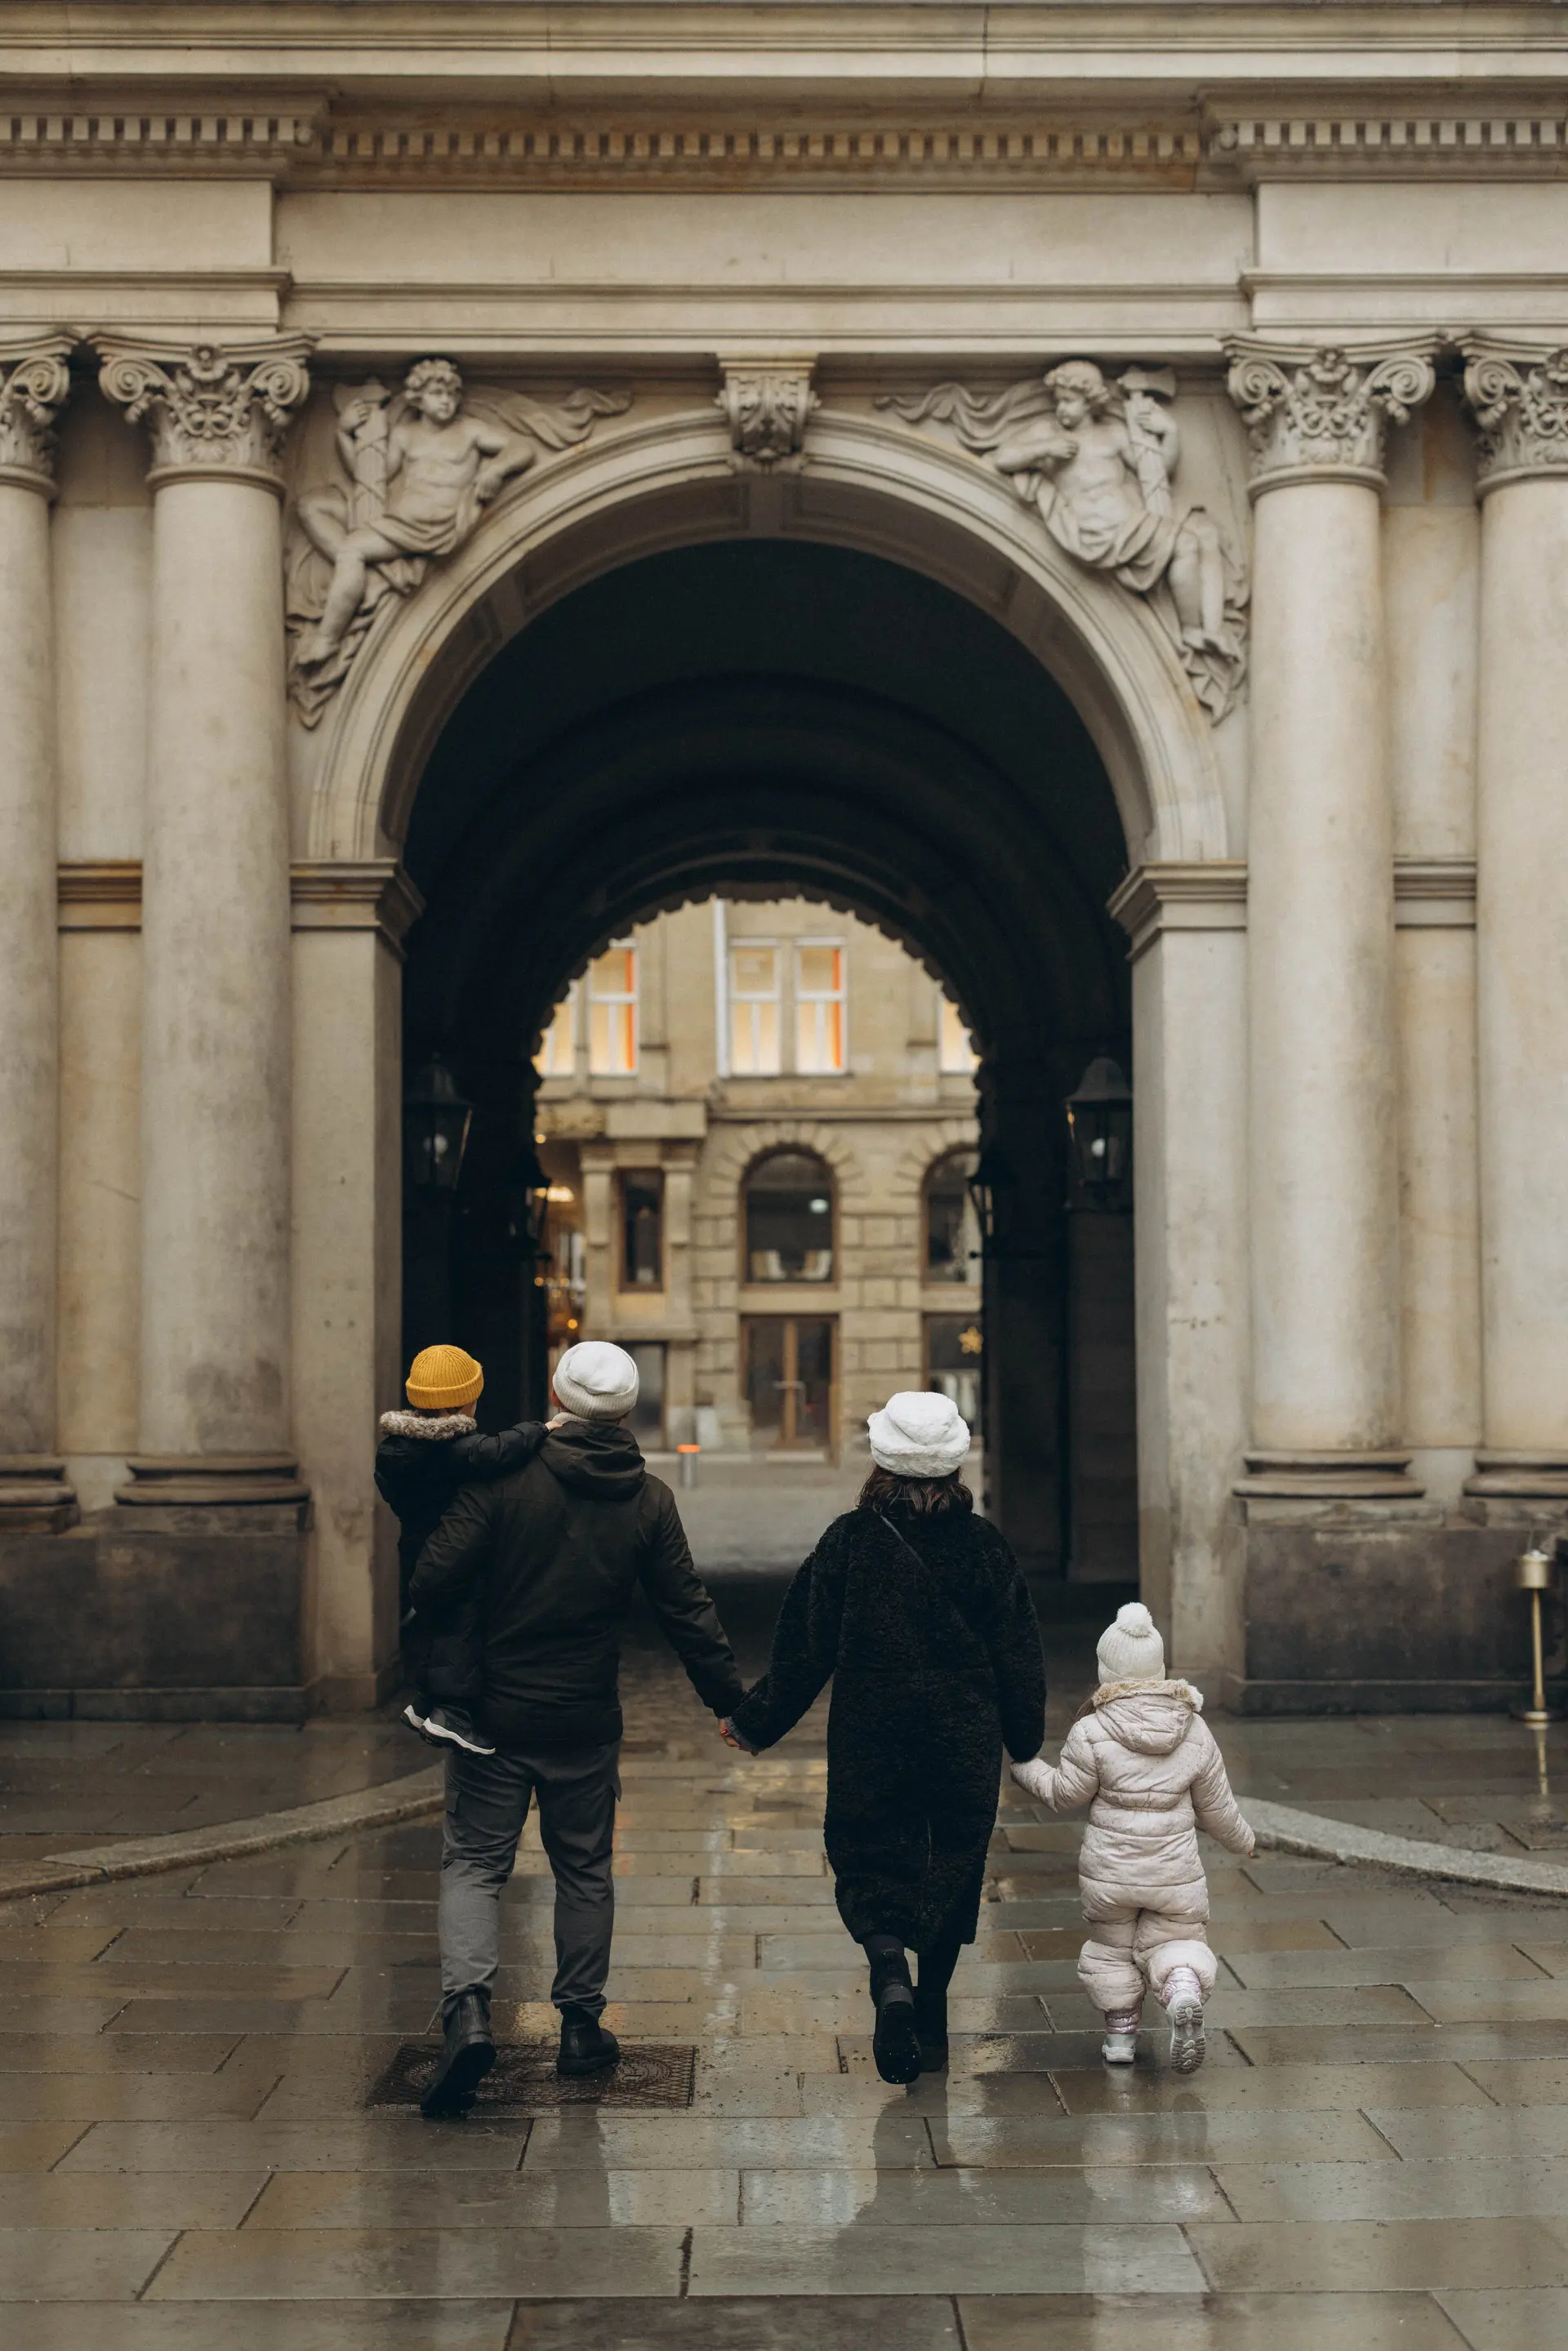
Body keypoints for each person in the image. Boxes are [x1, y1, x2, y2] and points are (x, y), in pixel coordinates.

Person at [408, 1339, 746, 2116]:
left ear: (556, 1395)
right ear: (625, 1411)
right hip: (584, 1719)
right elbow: (686, 1611)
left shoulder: (501, 1479)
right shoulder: (648, 1498)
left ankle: (466, 2014)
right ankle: (582, 2027)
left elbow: (432, 1578)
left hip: (492, 1716)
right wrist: (732, 1701)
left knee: (474, 1865)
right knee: (585, 1870)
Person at [721, 1391, 1045, 2086]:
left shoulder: (850, 1540)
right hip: (963, 1730)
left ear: (881, 1460)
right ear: (954, 1463)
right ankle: (929, 2010)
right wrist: (1025, 1737)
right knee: (952, 1862)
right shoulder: (985, 1544)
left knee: (870, 1856)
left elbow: (804, 1646)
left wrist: (756, 1722)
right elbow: (1018, 1649)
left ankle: (888, 1966)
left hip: (875, 1724)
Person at [1010, 1601, 1255, 2075]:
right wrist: (1244, 1841)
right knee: (1177, 1938)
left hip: (1110, 1874)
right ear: (1160, 1670)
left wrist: (1027, 1769)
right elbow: (1217, 1808)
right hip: (1174, 1872)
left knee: (1112, 1951)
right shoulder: (1195, 1730)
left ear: (1106, 1672)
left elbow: (1066, 1794)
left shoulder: (1092, 1730)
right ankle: (1181, 1985)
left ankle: (1120, 2039)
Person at [374, 1342, 546, 1757]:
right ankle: (454, 1714)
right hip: (447, 1548)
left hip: (416, 1543)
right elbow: (497, 1450)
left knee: (435, 1626)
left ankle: (425, 1702)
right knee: (461, 1626)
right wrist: (540, 1430)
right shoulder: (450, 1451)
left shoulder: (398, 1447)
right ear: (467, 1401)